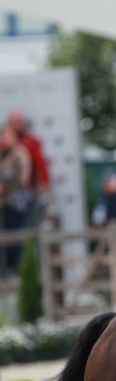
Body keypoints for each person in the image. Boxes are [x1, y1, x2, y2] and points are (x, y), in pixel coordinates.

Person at [7, 109, 51, 224]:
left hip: (25, 190)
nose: (16, 124)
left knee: (25, 224)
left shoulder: (30, 141)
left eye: (19, 121)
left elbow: (40, 164)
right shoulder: (4, 142)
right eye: (13, 121)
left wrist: (44, 184)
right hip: (6, 192)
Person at [0, 124, 33, 272]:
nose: (4, 139)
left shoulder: (19, 153)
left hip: (16, 202)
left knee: (16, 237)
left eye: (6, 136)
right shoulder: (3, 155)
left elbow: (21, 178)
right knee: (7, 238)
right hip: (5, 202)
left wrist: (4, 187)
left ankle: (18, 269)